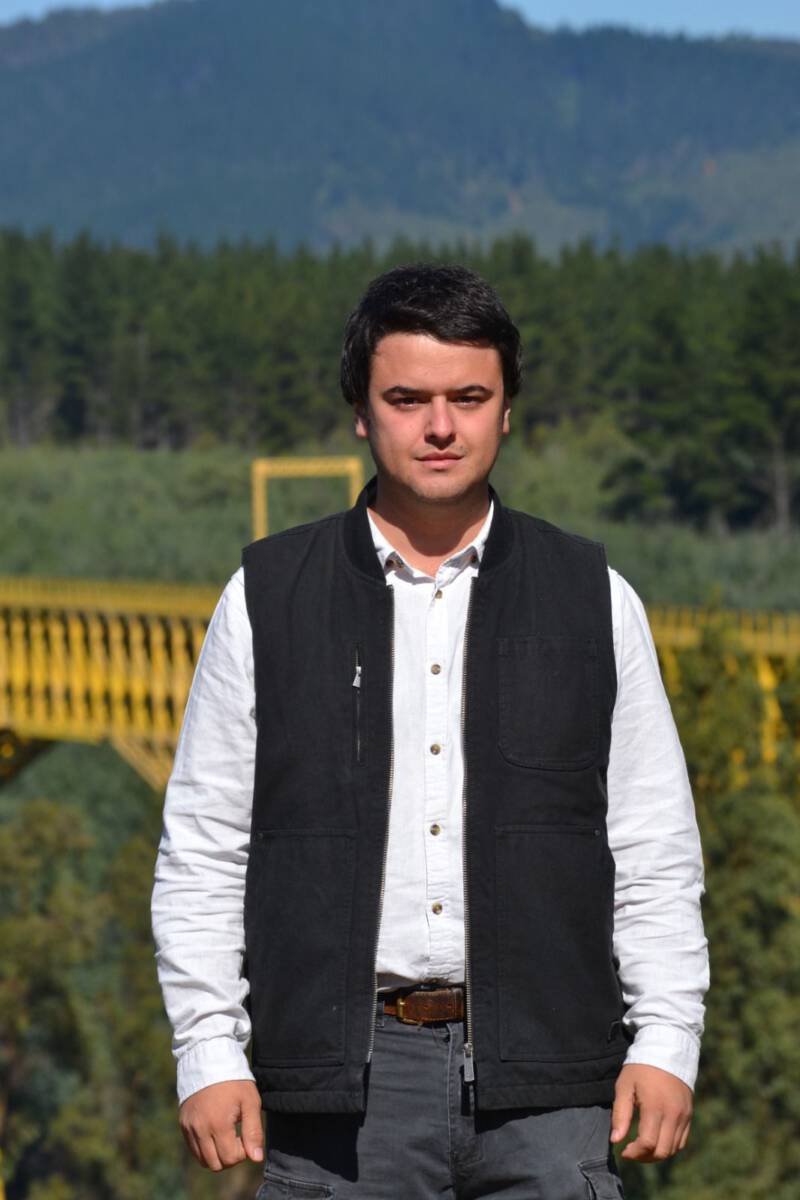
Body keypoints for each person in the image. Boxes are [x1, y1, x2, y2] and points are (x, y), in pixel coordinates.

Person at [151, 263, 709, 1199]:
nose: (440, 426)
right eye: (407, 399)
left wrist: (667, 1040)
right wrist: (207, 1049)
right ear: (360, 413)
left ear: (507, 409)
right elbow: (206, 848)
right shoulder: (265, 600)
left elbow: (652, 847)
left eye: (468, 398)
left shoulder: (595, 600)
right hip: (342, 1093)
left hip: (552, 1085)